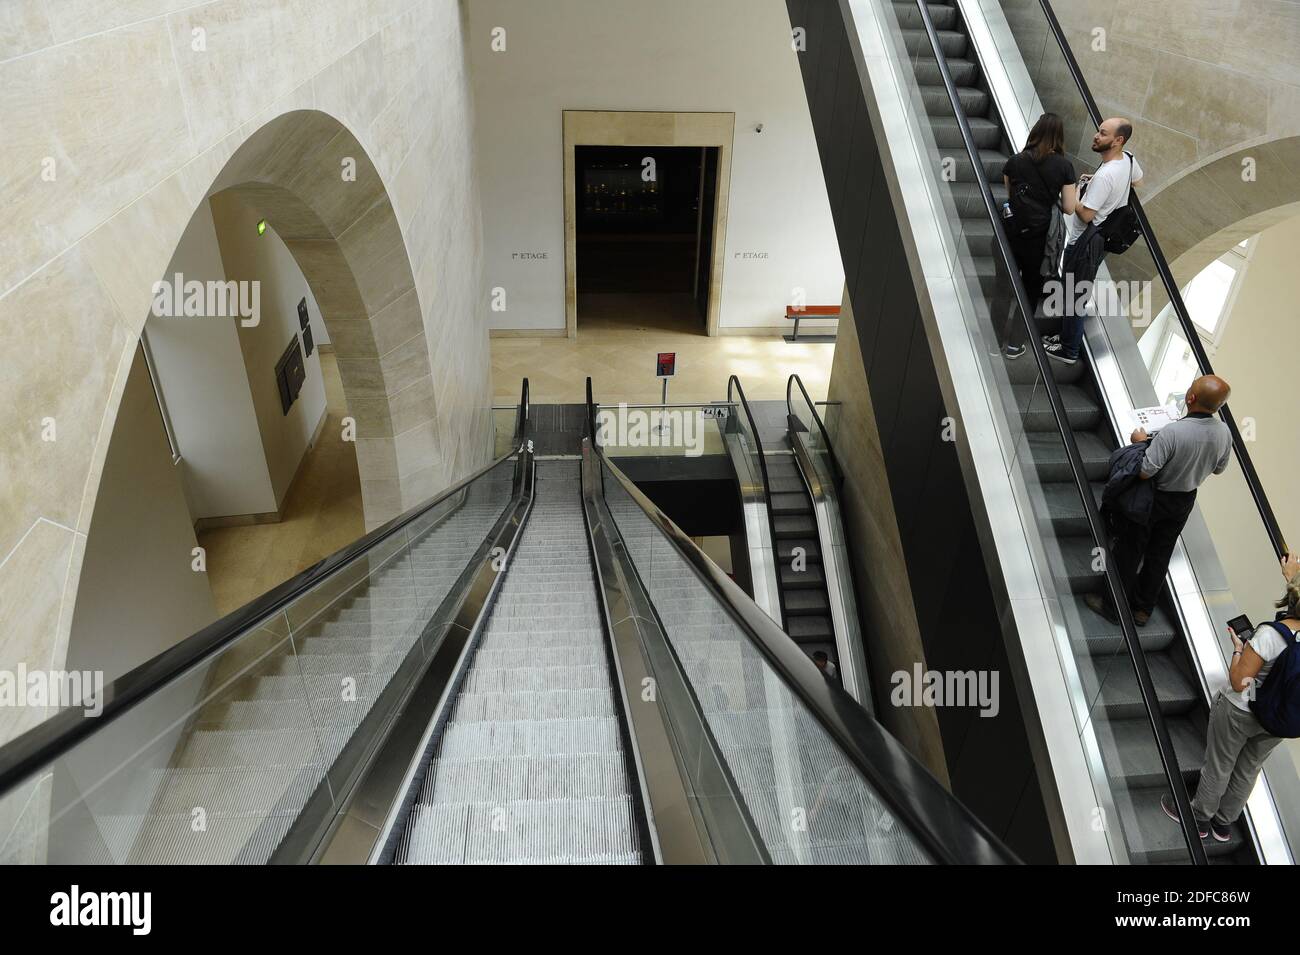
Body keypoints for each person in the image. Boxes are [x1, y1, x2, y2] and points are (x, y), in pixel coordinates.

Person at [1162, 553, 1300, 841]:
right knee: (1249, 768)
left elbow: (1240, 682)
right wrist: (1291, 577)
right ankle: (1223, 824)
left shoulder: (1270, 635)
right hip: (1280, 717)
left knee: (1220, 763)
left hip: (1242, 709)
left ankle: (1200, 819)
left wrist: (1239, 649)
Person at [1085, 375, 1232, 626]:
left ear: (1191, 398)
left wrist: (1141, 443)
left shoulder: (1172, 432)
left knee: (1129, 552)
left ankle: (1111, 606)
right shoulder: (1224, 432)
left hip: (1154, 498)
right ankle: (1142, 609)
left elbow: (1145, 471)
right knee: (1160, 553)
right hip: (1184, 501)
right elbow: (1219, 469)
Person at [1042, 118, 1144, 365]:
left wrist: (1077, 191)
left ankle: (1069, 350)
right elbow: (1137, 181)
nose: (1096, 136)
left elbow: (1085, 214)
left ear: (1118, 140)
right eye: (1098, 130)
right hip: (1099, 240)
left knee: (1074, 296)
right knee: (1072, 292)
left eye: (1103, 133)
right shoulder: (1128, 159)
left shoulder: (1107, 176)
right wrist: (1099, 185)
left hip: (1084, 243)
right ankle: (1065, 336)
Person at [993, 113, 1078, 359]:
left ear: (1035, 132)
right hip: (1039, 240)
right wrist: (1053, 197)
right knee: (1030, 290)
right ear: (1059, 137)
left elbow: (1010, 193)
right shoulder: (1064, 167)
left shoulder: (1015, 161)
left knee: (1002, 287)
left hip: (1010, 233)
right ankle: (1014, 344)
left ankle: (994, 343)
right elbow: (1070, 208)